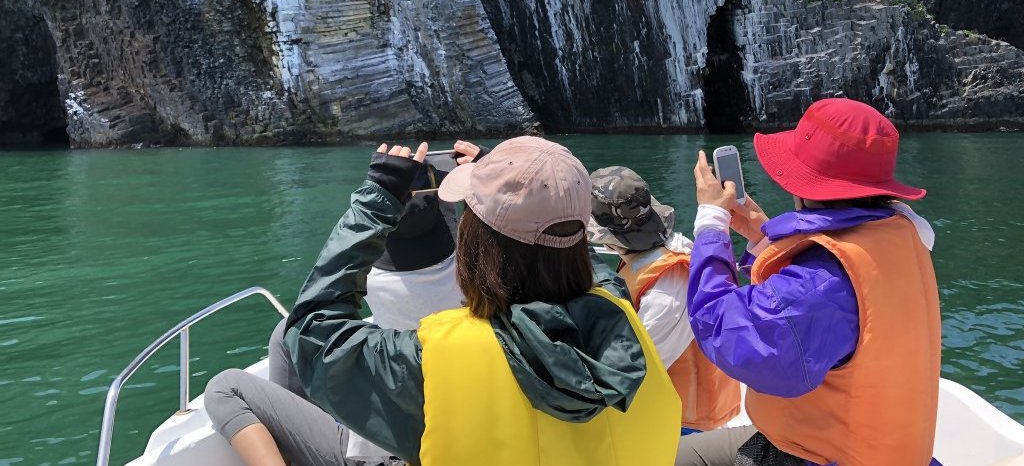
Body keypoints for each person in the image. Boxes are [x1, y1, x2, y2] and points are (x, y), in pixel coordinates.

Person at [249, 136, 681, 466]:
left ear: (477, 244)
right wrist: (524, 185)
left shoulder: (434, 358)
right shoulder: (618, 306)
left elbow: (309, 332)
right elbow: (584, 262)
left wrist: (375, 203)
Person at [679, 98, 942, 466]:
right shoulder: (897, 236)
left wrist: (710, 224)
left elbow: (726, 331)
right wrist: (761, 238)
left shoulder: (823, 282)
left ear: (804, 184)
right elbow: (808, 307)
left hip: (814, 457)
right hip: (864, 447)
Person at [206, 159, 466, 466]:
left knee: (225, 387)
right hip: (449, 423)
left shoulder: (377, 281)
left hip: (389, 452)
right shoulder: (473, 284)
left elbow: (318, 306)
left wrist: (377, 200)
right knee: (283, 336)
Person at [588, 166, 740, 434]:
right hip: (674, 412)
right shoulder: (655, 258)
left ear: (610, 241)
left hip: (680, 423)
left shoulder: (666, 287)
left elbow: (636, 368)